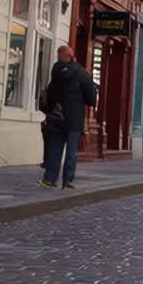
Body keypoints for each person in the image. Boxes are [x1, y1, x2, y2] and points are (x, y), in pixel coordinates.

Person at [41, 45, 97, 189]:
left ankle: (49, 179)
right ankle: (67, 181)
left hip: (55, 118)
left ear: (60, 56)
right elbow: (91, 99)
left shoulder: (55, 73)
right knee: (71, 152)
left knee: (54, 149)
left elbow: (49, 94)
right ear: (71, 56)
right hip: (73, 119)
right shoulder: (81, 73)